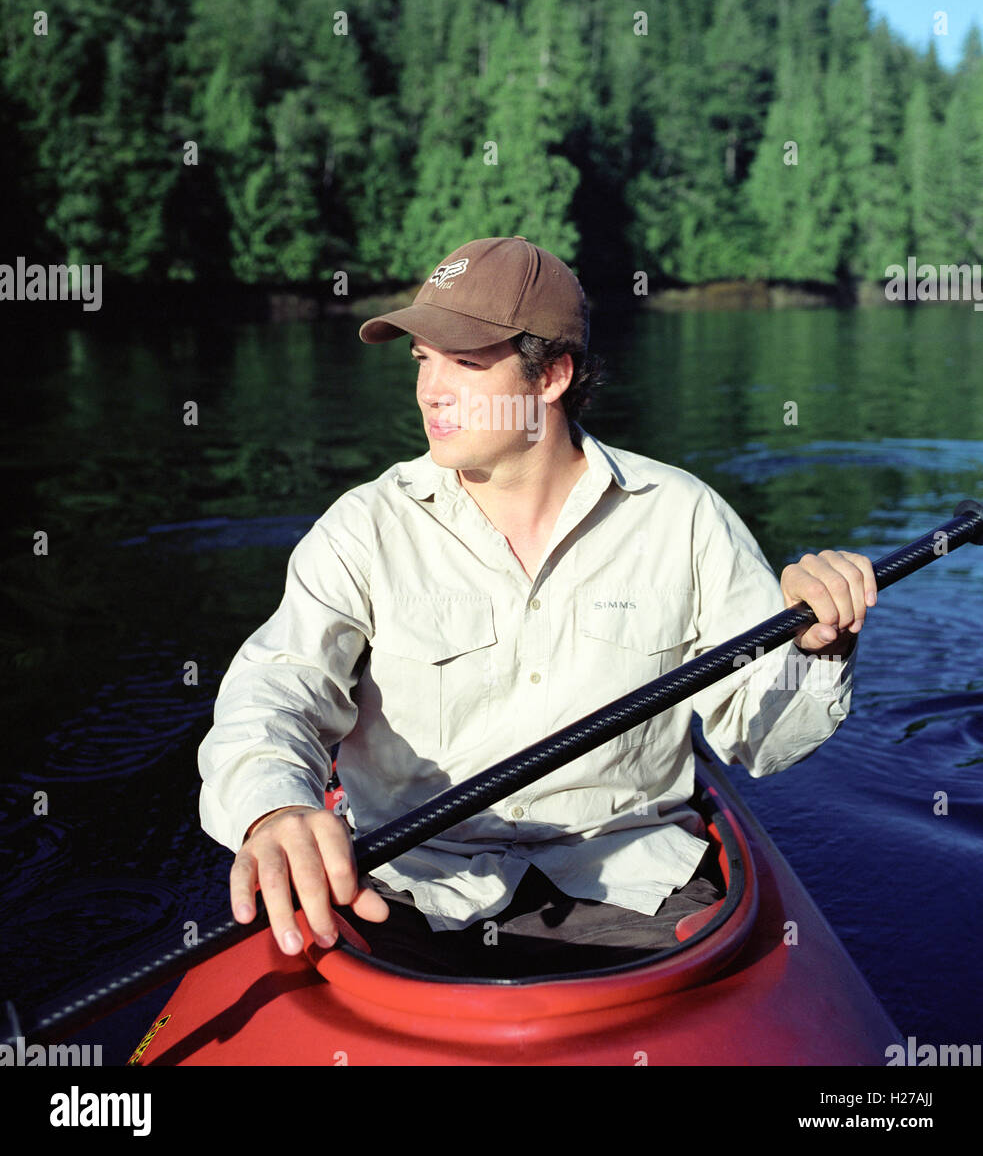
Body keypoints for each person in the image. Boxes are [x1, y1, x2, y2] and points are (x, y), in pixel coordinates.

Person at [198, 236, 877, 977]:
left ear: (550, 376)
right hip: (406, 886)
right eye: (423, 359)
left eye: (465, 361)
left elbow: (762, 742)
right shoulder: (364, 525)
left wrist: (818, 648)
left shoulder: (683, 517)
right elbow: (276, 691)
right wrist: (274, 807)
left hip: (635, 887)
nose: (430, 390)